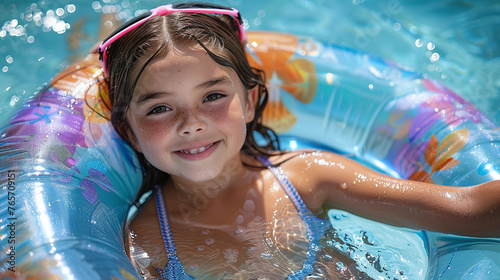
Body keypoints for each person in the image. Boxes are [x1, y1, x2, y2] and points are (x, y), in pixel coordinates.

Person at [97, 2, 500, 279]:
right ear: (128, 129)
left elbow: (467, 209)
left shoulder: (307, 178)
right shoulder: (146, 239)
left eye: (214, 96)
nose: (191, 123)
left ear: (251, 101)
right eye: (159, 108)